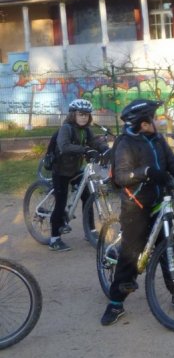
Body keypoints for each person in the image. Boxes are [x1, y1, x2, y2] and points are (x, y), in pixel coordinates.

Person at [101, 99, 174, 326]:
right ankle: (115, 303)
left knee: (168, 246)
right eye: (154, 118)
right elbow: (121, 177)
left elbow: (172, 162)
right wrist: (147, 171)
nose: (157, 121)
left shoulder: (157, 139)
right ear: (143, 124)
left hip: (161, 201)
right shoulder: (125, 144)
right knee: (131, 254)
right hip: (137, 204)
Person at [48, 98, 109, 252]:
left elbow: (94, 142)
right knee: (60, 204)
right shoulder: (66, 128)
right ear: (73, 114)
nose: (84, 117)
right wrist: (85, 150)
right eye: (80, 114)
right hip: (61, 171)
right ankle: (55, 239)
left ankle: (90, 232)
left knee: (87, 197)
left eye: (87, 115)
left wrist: (105, 149)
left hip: (75, 170)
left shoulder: (86, 130)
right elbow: (64, 146)